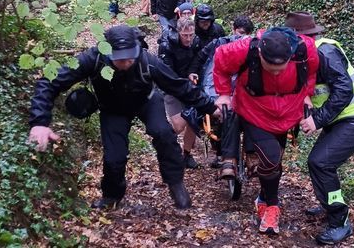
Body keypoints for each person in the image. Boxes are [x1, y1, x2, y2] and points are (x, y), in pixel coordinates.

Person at [28, 25, 219, 211]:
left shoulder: (147, 61)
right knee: (114, 157)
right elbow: (49, 82)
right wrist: (39, 123)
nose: (126, 63)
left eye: (130, 58)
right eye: (120, 59)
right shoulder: (94, 58)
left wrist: (211, 107)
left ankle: (176, 183)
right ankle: (112, 195)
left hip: (147, 101)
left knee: (163, 134)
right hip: (113, 109)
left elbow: (180, 87)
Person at [213, 27, 319, 235]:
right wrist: (224, 93)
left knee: (274, 161)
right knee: (271, 157)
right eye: (270, 68)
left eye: (281, 68)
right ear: (260, 54)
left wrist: (307, 94)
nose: (276, 72)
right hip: (253, 111)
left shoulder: (305, 50)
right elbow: (220, 59)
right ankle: (272, 206)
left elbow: (311, 72)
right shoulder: (245, 49)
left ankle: (264, 199)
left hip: (287, 113)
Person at [284, 11, 354, 245]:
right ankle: (329, 204)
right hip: (340, 118)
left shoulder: (325, 51)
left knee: (321, 162)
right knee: (318, 163)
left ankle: (340, 222)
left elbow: (344, 90)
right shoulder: (305, 56)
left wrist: (317, 119)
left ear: (300, 37)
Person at [186, 16, 255, 168]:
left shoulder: (253, 47)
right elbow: (201, 58)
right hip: (217, 88)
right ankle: (220, 153)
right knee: (217, 116)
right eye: (240, 33)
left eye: (246, 34)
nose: (241, 37)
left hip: (241, 89)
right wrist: (193, 72)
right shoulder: (219, 43)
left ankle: (249, 155)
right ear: (233, 29)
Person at [158, 17, 203, 169]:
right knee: (178, 126)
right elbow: (166, 72)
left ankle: (186, 154)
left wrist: (192, 73)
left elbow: (198, 60)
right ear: (178, 33)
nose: (188, 38)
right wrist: (182, 83)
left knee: (193, 120)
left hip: (189, 84)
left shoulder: (196, 42)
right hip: (172, 86)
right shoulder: (167, 45)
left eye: (191, 34)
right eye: (185, 35)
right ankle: (165, 144)